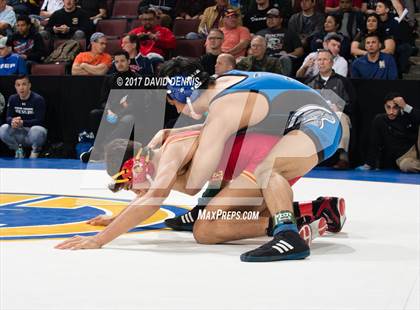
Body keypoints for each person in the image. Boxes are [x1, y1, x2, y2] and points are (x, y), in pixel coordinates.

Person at [151, 57, 341, 262]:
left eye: (173, 102)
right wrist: (172, 132)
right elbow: (215, 129)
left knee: (268, 169)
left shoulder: (223, 108)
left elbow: (192, 184)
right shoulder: (220, 85)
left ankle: (288, 235)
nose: (178, 111)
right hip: (300, 122)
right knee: (208, 227)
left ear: (183, 93)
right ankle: (309, 213)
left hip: (317, 122)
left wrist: (155, 178)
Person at [57, 131, 345, 250]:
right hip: (258, 161)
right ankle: (316, 212)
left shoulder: (169, 154)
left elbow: (151, 201)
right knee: (235, 219)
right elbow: (147, 197)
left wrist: (99, 240)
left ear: (135, 167)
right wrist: (118, 219)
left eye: (128, 184)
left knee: (205, 229)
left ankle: (290, 227)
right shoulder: (161, 149)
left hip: (262, 162)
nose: (133, 191)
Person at [81, 50, 140, 162]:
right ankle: (98, 148)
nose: (120, 64)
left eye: (122, 61)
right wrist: (108, 111)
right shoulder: (109, 79)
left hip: (129, 113)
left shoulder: (137, 79)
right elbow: (103, 100)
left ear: (128, 61)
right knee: (95, 114)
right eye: (116, 62)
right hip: (112, 112)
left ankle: (100, 149)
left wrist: (118, 114)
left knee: (128, 119)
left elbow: (136, 104)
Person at [305, 49, 355, 169]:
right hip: (316, 116)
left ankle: (343, 157)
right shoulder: (310, 82)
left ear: (332, 63)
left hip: (338, 115)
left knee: (340, 116)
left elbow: (352, 105)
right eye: (319, 60)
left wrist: (340, 107)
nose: (321, 63)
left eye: (325, 60)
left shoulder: (343, 81)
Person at [359, 93, 420, 172]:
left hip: (416, 148)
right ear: (384, 107)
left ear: (400, 108)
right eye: (388, 107)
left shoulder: (407, 115)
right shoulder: (380, 120)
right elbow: (374, 142)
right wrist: (368, 164)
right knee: (405, 166)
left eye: (395, 108)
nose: (391, 111)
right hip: (405, 157)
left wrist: (405, 106)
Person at [0, 75, 47, 158]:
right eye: (18, 85)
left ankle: (35, 150)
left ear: (29, 85)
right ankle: (18, 149)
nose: (21, 88)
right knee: (3, 129)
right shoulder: (12, 98)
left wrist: (22, 123)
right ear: (15, 87)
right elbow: (8, 117)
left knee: (38, 130)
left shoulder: (38, 99)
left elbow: (40, 121)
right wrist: (12, 121)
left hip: (31, 133)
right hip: (18, 131)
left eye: (24, 84)